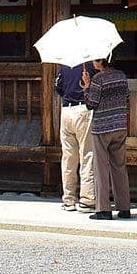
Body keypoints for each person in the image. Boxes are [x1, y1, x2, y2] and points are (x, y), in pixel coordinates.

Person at [83, 55, 131, 220]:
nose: (92, 62)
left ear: (101, 61)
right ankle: (124, 208)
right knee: (119, 166)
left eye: (95, 60)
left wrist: (86, 87)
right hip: (119, 125)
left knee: (101, 168)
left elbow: (91, 104)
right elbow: (127, 97)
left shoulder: (98, 79)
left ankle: (103, 209)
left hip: (102, 127)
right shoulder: (122, 76)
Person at [55, 59, 97, 214]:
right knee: (87, 155)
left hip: (66, 111)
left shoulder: (64, 65)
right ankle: (87, 200)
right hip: (84, 109)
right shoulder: (91, 65)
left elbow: (58, 87)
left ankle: (68, 200)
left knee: (68, 158)